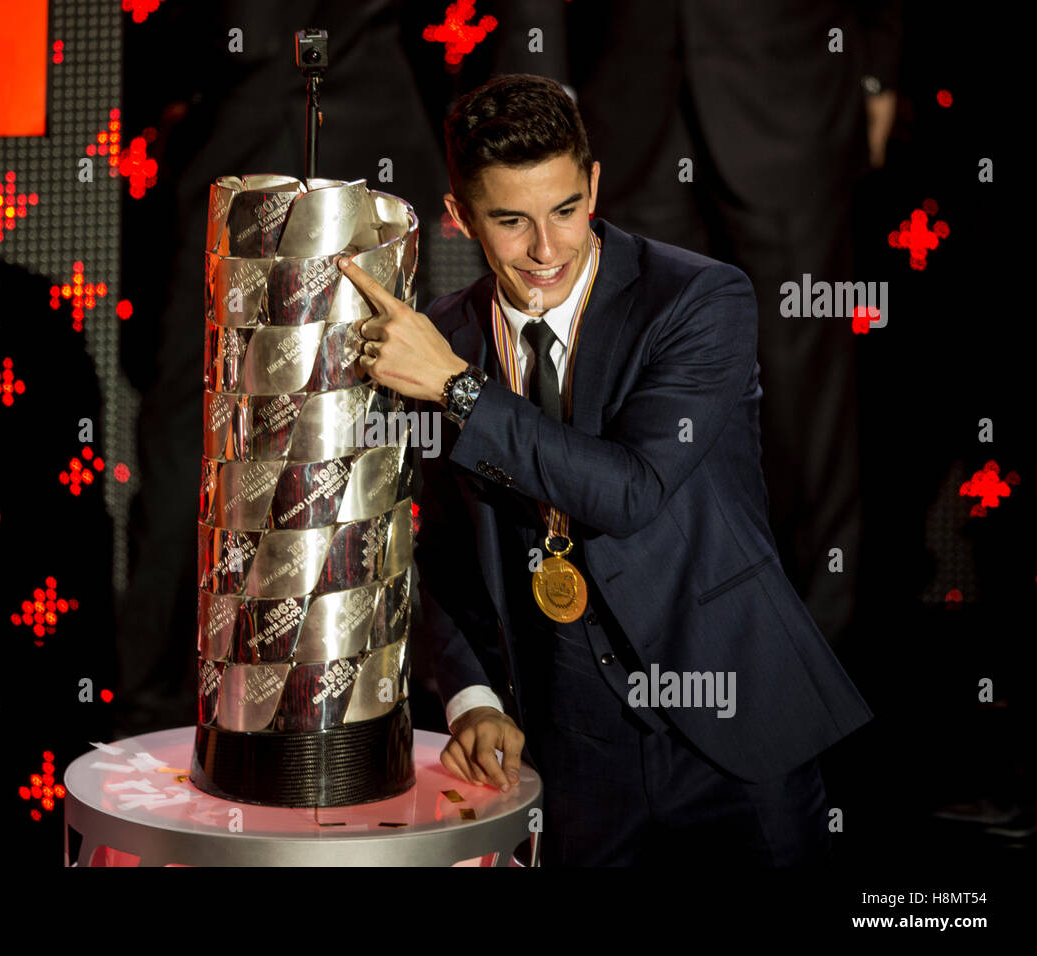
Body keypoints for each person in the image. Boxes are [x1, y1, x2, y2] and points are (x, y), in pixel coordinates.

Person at [336, 74, 872, 866]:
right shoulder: (444, 335)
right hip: (567, 747)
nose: (547, 249)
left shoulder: (697, 300)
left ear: (593, 185)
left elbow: (629, 490)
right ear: (460, 217)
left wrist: (457, 389)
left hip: (731, 727)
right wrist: (472, 700)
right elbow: (435, 553)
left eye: (565, 210)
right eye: (511, 221)